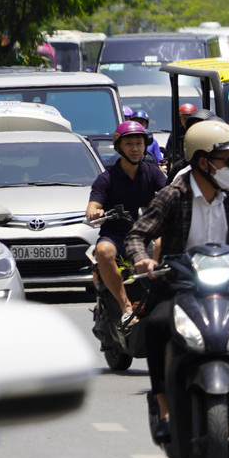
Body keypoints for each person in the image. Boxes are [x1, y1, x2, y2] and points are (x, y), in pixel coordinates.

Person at [127, 120, 229, 443]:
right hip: (179, 283)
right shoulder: (174, 194)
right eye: (228, 160)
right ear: (203, 162)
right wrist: (142, 259)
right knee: (158, 326)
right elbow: (137, 233)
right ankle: (165, 408)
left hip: (228, 285)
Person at [86, 120, 168, 326]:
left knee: (165, 243)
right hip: (117, 235)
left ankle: (158, 299)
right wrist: (96, 212)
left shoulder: (152, 172)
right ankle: (125, 306)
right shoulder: (106, 178)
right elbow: (92, 208)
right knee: (103, 251)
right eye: (129, 144)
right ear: (119, 147)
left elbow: (172, 193)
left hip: (145, 234)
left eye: (139, 144)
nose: (135, 149)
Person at [163, 102, 199, 177]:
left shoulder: (200, 131)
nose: (186, 121)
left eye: (189, 118)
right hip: (179, 165)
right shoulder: (176, 133)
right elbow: (169, 151)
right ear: (180, 119)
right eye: (184, 118)